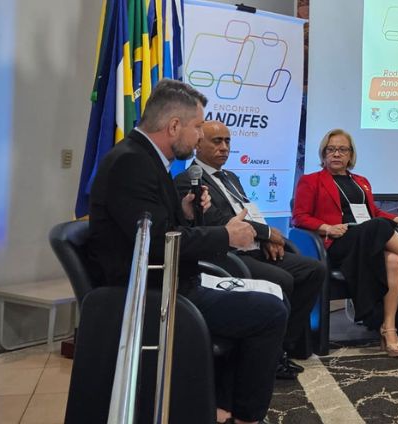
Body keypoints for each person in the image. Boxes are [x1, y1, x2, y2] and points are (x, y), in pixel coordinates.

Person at [88, 79, 284, 424]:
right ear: (174, 126)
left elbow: (156, 227)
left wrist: (186, 211)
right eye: (197, 127)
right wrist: (226, 236)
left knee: (270, 294)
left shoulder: (144, 158)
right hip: (153, 294)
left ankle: (216, 404)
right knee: (271, 312)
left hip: (171, 282)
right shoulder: (131, 163)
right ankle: (245, 416)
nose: (199, 136)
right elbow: (156, 243)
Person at [174, 120, 325, 378]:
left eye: (227, 141)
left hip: (254, 248)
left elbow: (246, 213)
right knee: (282, 279)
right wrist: (267, 233)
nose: (224, 147)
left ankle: (281, 345)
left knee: (313, 270)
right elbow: (218, 221)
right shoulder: (188, 180)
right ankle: (271, 354)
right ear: (198, 144)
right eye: (217, 141)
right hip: (227, 255)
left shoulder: (230, 177)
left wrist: (266, 239)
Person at [291, 129, 398, 358]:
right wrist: (327, 228)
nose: (336, 154)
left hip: (367, 239)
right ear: (323, 153)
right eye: (331, 149)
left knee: (394, 260)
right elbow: (299, 217)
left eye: (342, 150)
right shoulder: (311, 181)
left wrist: (396, 218)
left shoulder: (361, 182)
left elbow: (373, 213)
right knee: (377, 226)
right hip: (338, 243)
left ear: (350, 154)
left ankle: (389, 328)